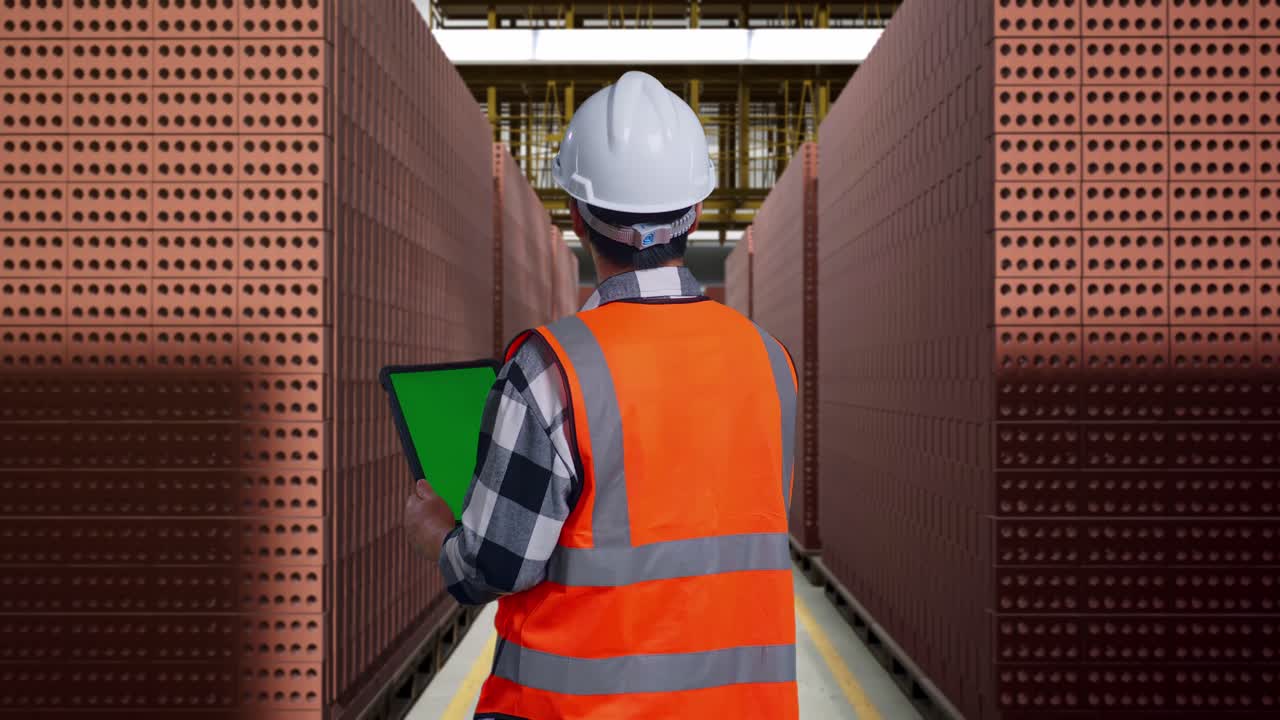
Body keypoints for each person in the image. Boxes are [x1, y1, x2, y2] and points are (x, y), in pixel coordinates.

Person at [403, 70, 799, 720]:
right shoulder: (770, 361)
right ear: (696, 212)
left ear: (577, 218)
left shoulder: (549, 369)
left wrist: (439, 535)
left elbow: (493, 567)